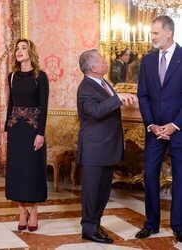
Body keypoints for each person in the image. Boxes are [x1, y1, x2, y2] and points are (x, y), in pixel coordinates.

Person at [77, 49, 137, 244]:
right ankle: (89, 228)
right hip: (94, 150)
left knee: (102, 192)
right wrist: (117, 97)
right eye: (102, 60)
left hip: (107, 148)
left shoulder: (102, 83)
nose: (105, 61)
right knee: (92, 192)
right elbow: (94, 111)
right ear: (94, 67)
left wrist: (116, 97)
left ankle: (95, 224)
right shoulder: (86, 87)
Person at [135, 15, 182, 242]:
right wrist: (152, 125)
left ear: (169, 33)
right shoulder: (147, 61)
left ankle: (179, 225)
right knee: (150, 175)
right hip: (154, 131)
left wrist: (174, 125)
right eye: (151, 32)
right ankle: (151, 223)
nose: (151, 37)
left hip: (179, 130)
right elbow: (143, 95)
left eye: (155, 33)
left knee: (180, 177)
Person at [5, 38, 49, 232]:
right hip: (16, 129)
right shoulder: (12, 76)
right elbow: (10, 104)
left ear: (31, 52)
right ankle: (22, 211)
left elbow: (43, 106)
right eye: (17, 49)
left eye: (23, 48)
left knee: (33, 170)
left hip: (33, 130)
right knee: (18, 170)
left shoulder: (40, 76)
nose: (19, 51)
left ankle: (35, 210)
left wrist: (41, 133)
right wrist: (7, 129)